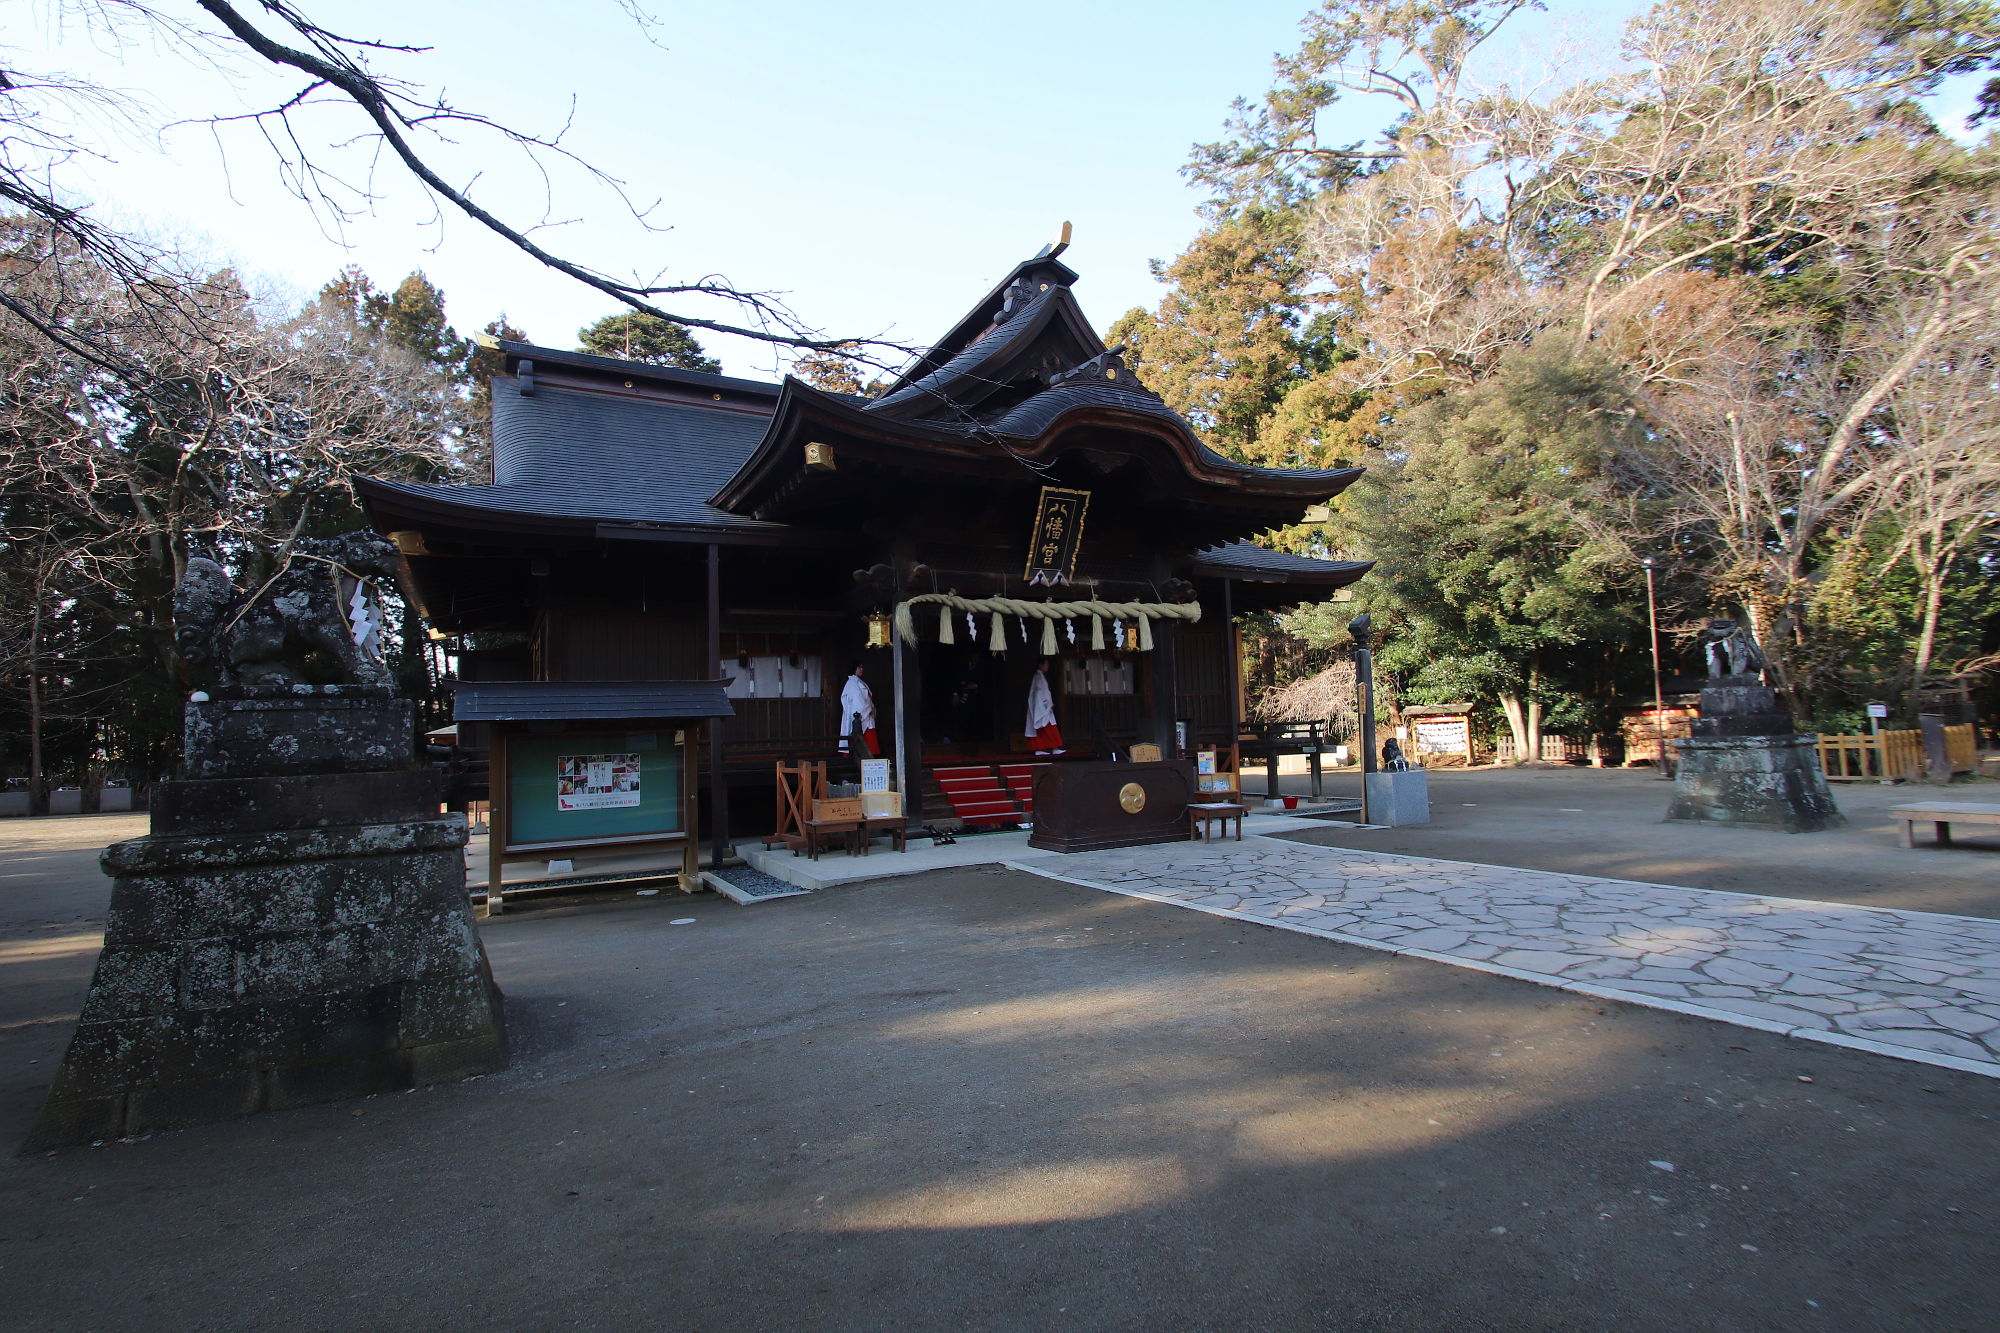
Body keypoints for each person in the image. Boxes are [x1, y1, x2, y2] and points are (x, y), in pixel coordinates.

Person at [839, 661, 879, 757]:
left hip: (867, 714)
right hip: (862, 716)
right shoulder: (853, 683)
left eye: (862, 667)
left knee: (869, 743)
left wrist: (871, 708)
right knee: (863, 742)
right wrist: (869, 709)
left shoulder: (857, 682)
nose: (861, 669)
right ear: (854, 669)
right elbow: (858, 703)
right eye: (859, 667)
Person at [1025, 658, 1064, 754]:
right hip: (1041, 706)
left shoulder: (1040, 676)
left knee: (1046, 728)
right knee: (1047, 728)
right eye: (1046, 664)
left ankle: (1046, 748)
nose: (1047, 666)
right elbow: (1039, 693)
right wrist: (1046, 704)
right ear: (1040, 665)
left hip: (1043, 706)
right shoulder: (1038, 677)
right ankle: (1048, 748)